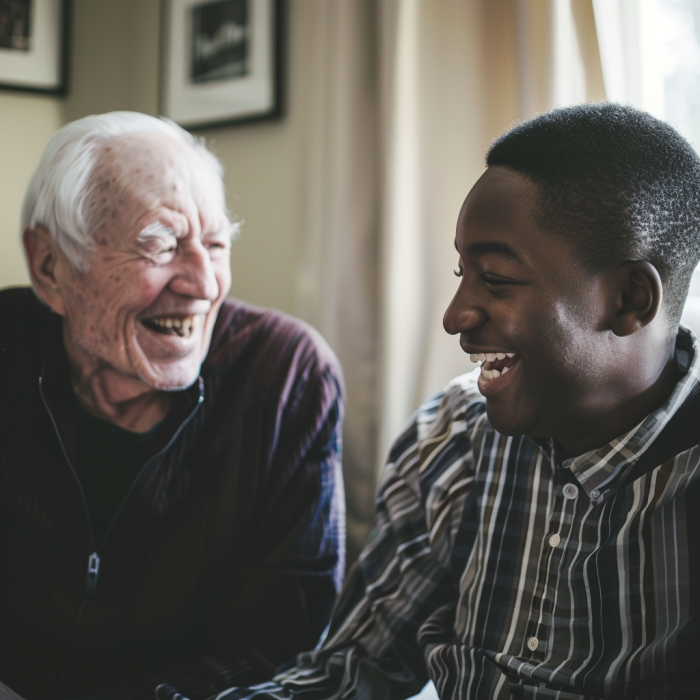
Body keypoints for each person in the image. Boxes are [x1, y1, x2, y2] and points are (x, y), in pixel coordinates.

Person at [214, 103, 700, 700]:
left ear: (629, 300)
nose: (455, 316)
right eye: (460, 272)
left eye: (495, 279)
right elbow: (350, 675)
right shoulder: (453, 437)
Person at [0, 112, 345, 700]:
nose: (206, 282)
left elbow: (279, 639)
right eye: (158, 245)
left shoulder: (287, 376)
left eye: (216, 244)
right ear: (49, 265)